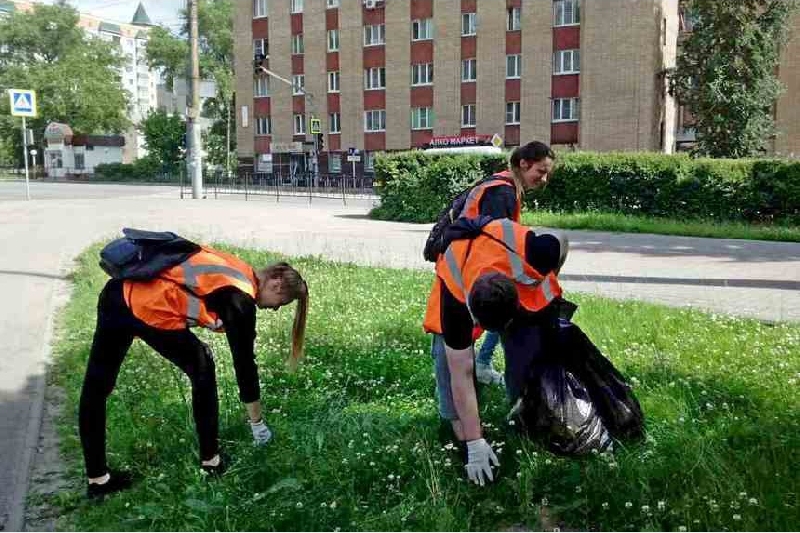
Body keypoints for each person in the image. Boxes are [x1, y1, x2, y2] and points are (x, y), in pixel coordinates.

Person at [79, 245, 308, 498]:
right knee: (203, 366)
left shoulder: (234, 269)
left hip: (117, 292)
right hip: (149, 306)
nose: (275, 309)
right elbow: (244, 366)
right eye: (282, 303)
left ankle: (98, 480)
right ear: (275, 284)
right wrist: (257, 423)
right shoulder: (241, 298)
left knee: (96, 387)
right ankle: (211, 462)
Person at [423, 216, 569, 486]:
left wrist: (552, 274)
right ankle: (463, 436)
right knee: (449, 369)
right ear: (473, 315)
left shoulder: (539, 252)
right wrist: (475, 444)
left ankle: (526, 414)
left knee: (529, 359)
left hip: (508, 254)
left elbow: (561, 238)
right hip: (460, 273)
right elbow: (462, 376)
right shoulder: (454, 305)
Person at [449, 141, 556, 386]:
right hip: (470, 270)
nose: (544, 178)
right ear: (523, 164)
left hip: (473, 267)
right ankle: (473, 372)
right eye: (540, 171)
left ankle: (478, 366)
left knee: (501, 311)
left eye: (547, 172)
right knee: (486, 315)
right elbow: (494, 241)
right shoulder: (502, 192)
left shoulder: (507, 188)